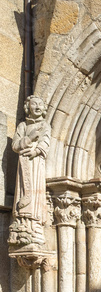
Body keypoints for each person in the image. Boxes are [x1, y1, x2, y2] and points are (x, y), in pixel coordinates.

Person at [8, 95, 51, 246]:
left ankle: (35, 226)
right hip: (24, 164)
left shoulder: (44, 125)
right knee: (24, 193)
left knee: (35, 193)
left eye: (40, 104)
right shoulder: (23, 126)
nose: (38, 107)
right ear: (28, 108)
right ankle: (23, 224)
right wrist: (29, 138)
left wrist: (36, 151)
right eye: (34, 104)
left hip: (36, 163)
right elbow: (15, 145)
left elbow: (46, 141)